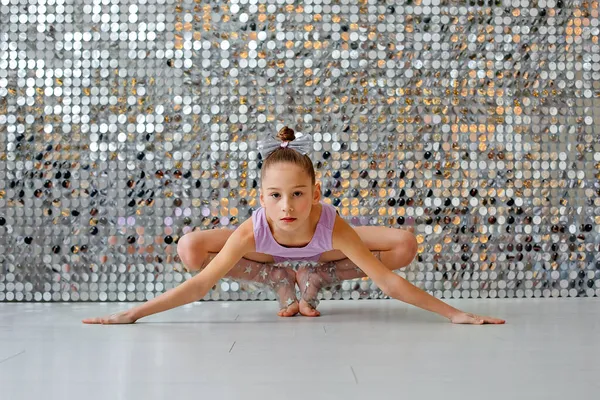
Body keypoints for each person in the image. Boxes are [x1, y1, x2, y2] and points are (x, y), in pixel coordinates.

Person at [83, 126, 505, 325]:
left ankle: (314, 276)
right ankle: (279, 280)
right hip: (268, 256)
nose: (287, 206)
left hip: (325, 252)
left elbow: (388, 282)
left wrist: (453, 314)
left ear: (316, 192)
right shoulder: (253, 229)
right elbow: (200, 284)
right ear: (261, 197)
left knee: (405, 244)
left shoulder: (332, 224)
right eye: (276, 196)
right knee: (191, 248)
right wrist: (134, 314)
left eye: (298, 194)